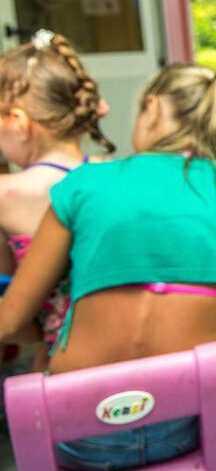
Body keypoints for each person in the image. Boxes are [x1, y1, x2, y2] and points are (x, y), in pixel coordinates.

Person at [0, 63, 216, 470]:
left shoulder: (83, 185)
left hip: (82, 432)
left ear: (151, 108)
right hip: (187, 426)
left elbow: (10, 322)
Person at [0, 29, 114, 364]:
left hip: (61, 358)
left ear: (19, 123)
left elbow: (8, 291)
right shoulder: (114, 174)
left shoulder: (8, 193)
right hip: (128, 346)